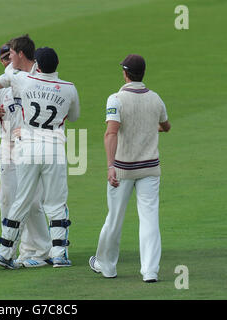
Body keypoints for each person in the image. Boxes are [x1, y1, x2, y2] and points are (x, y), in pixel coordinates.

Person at [0, 46, 80, 269]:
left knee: (22, 200)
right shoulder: (69, 88)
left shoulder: (25, 81)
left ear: (37, 63)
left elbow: (0, 80)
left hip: (27, 148)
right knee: (56, 203)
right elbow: (74, 117)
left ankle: (5, 252)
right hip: (54, 149)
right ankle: (59, 254)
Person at [89, 54, 171, 283]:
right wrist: (149, 129)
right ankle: (150, 271)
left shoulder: (116, 99)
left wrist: (110, 166)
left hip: (123, 169)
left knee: (115, 217)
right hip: (150, 169)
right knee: (150, 218)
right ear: (142, 73)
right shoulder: (155, 99)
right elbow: (166, 126)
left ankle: (106, 267)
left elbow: (111, 133)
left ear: (125, 73)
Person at [0, 43, 52, 268]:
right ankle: (15, 250)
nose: (6, 61)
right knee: (7, 200)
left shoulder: (35, 79)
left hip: (32, 146)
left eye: (8, 56)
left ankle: (38, 250)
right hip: (8, 148)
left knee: (33, 202)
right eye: (3, 58)